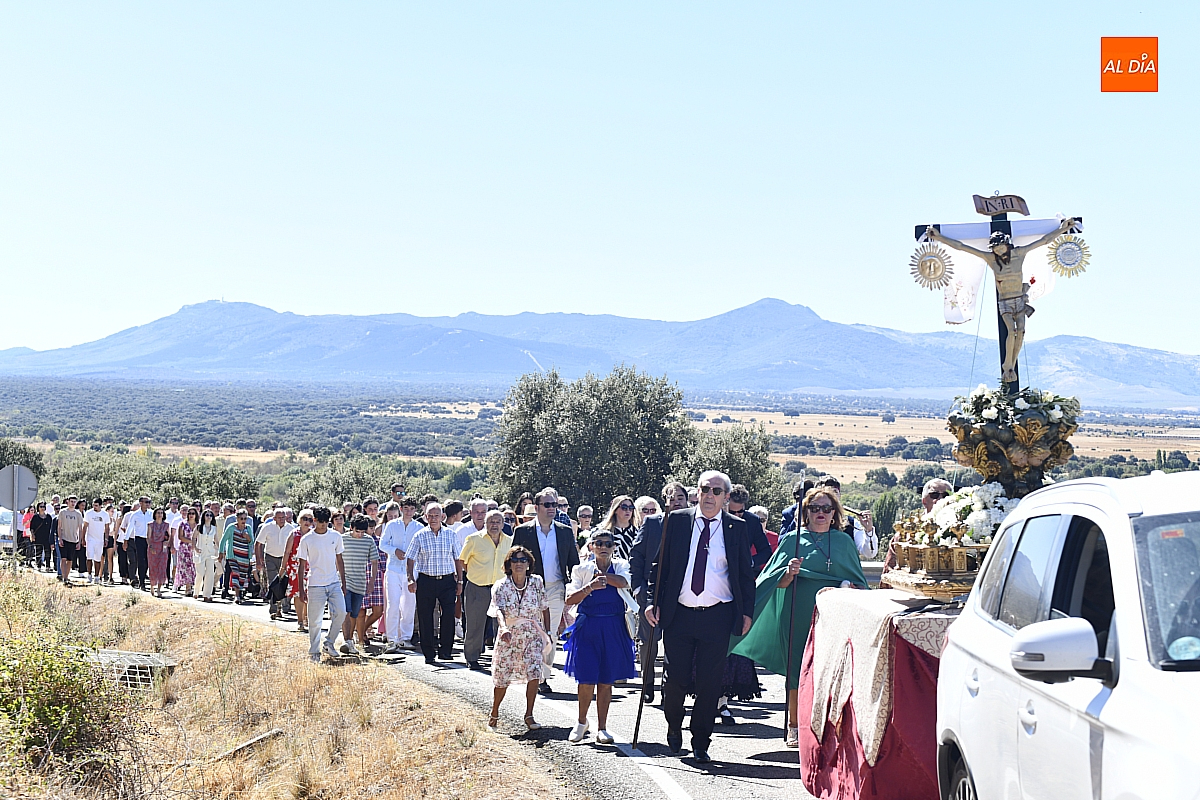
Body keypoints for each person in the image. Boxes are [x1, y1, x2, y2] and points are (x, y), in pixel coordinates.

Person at [731, 486, 869, 748]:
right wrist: (788, 573)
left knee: (830, 670)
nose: (820, 513)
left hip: (832, 618)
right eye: (814, 508)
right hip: (796, 613)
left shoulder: (844, 542)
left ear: (834, 513)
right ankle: (795, 725)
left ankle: (827, 726)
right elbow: (776, 583)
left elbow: (859, 582)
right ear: (805, 512)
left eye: (826, 508)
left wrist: (851, 586)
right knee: (797, 669)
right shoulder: (792, 540)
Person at [645, 470, 756, 763]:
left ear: (726, 497)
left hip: (717, 615)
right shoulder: (677, 521)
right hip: (679, 613)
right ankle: (674, 724)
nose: (709, 495)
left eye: (716, 491)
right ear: (697, 492)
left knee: (709, 683)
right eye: (705, 489)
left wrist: (746, 613)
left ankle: (701, 740)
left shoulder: (736, 527)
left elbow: (745, 574)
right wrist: (651, 602)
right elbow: (659, 566)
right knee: (676, 679)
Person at [563, 529, 638, 744]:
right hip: (588, 627)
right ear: (591, 547)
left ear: (614, 547)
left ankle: (602, 728)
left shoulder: (621, 565)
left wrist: (603, 578)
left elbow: (624, 582)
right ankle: (581, 722)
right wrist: (590, 586)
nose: (603, 547)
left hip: (614, 627)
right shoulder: (581, 569)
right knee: (586, 679)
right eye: (599, 543)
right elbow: (570, 599)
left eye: (608, 544)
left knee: (606, 680)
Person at [512, 488, 579, 693]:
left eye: (555, 505)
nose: (552, 509)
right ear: (537, 507)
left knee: (550, 633)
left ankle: (542, 677)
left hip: (556, 587)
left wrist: (575, 586)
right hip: (531, 588)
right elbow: (513, 560)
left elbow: (573, 562)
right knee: (533, 632)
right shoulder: (523, 531)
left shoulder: (564, 531)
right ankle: (530, 671)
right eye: (547, 505)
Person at [628, 479, 689, 703]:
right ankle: (647, 683)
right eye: (672, 499)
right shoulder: (653, 523)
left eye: (680, 498)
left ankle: (668, 687)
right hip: (650, 592)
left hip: (680, 594)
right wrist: (638, 587)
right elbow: (636, 556)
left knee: (675, 643)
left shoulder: (694, 524)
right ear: (665, 502)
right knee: (649, 641)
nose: (676, 502)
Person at [487, 546, 551, 732]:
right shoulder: (501, 585)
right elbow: (498, 609)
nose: (519, 564)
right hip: (509, 635)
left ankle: (529, 715)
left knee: (534, 671)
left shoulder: (536, 582)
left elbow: (544, 607)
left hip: (532, 634)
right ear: (509, 564)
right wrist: (504, 628)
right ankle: (494, 713)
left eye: (523, 560)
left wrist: (547, 632)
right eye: (514, 560)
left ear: (529, 564)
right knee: (502, 676)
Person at [406, 502, 462, 665]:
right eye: (430, 516)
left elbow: (457, 558)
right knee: (425, 617)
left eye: (436, 515)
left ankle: (445, 651)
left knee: (448, 615)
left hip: (447, 580)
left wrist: (460, 580)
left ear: (442, 517)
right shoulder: (419, 535)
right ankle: (429, 653)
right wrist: (411, 579)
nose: (433, 519)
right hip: (426, 580)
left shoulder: (450, 535)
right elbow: (410, 559)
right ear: (425, 517)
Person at [458, 509, 513, 669]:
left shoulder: (509, 541)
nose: (494, 525)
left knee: (501, 625)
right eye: (491, 522)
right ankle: (472, 658)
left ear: (503, 524)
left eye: (498, 522)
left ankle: (500, 659)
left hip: (500, 590)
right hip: (477, 587)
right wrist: (475, 574)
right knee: (475, 625)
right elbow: (462, 561)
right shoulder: (474, 539)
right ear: (485, 523)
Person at [297, 506, 348, 662]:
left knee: (341, 612)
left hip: (333, 582)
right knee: (315, 620)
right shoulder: (307, 539)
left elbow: (340, 560)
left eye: (326, 521)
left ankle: (329, 642)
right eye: (320, 521)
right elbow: (301, 564)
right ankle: (314, 651)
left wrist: (343, 582)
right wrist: (301, 589)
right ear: (315, 520)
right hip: (315, 584)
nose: (323, 525)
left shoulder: (336, 536)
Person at [381, 497, 423, 652]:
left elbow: (421, 548)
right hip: (393, 569)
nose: (409, 511)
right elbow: (382, 544)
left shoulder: (419, 527)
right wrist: (394, 551)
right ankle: (392, 638)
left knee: (409, 605)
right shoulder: (392, 525)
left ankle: (405, 638)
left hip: (411, 571)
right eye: (406, 508)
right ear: (401, 508)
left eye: (412, 509)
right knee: (393, 604)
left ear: (415, 510)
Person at [339, 514, 380, 656]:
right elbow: (336, 558)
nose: (360, 534)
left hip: (361, 582)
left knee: (355, 614)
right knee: (346, 610)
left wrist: (372, 581)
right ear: (351, 527)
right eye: (357, 531)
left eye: (363, 532)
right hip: (345, 580)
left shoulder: (368, 541)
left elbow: (374, 562)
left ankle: (350, 641)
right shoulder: (342, 539)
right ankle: (347, 640)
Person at [815, 477, 878, 559]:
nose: (831, 497)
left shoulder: (852, 524)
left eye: (835, 492)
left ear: (840, 496)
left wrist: (869, 531)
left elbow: (870, 554)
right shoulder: (807, 523)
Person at [256, 508, 295, 620]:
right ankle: (274, 609)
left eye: (283, 517)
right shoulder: (267, 527)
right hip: (270, 558)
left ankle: (284, 606)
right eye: (279, 518)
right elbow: (258, 543)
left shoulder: (291, 529)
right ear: (274, 518)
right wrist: (259, 560)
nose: (282, 520)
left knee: (285, 582)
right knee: (273, 583)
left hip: (285, 558)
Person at [283, 510, 313, 630]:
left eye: (310, 519)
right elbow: (287, 552)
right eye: (305, 518)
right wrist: (282, 567)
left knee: (309, 593)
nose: (307, 522)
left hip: (310, 567)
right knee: (298, 593)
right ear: (300, 519)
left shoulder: (313, 534)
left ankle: (306, 618)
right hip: (295, 567)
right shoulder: (294, 534)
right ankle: (300, 620)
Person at [221, 510, 254, 604]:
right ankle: (237, 596)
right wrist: (221, 552)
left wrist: (247, 537)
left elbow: (252, 542)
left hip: (244, 556)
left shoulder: (248, 528)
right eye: (241, 518)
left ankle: (240, 593)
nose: (243, 520)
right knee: (236, 573)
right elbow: (223, 540)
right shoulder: (231, 527)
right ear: (237, 519)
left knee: (242, 576)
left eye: (245, 518)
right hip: (233, 556)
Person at [122, 496, 154, 590]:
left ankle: (144, 576)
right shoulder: (135, 515)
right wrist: (126, 540)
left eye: (149, 502)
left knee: (147, 561)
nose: (148, 504)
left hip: (149, 539)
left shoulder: (151, 513)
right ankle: (142, 582)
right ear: (141, 503)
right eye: (146, 502)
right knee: (140, 560)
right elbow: (130, 527)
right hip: (139, 539)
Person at [193, 508, 221, 601]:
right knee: (200, 573)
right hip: (200, 552)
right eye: (207, 515)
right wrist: (195, 548)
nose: (209, 517)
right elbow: (193, 538)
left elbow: (216, 540)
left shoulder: (214, 528)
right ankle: (196, 591)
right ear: (203, 516)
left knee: (210, 573)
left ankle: (207, 594)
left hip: (210, 553)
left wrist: (220, 550)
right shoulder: (199, 527)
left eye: (210, 515)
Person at [597, 495, 638, 561]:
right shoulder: (603, 531)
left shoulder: (637, 533)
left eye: (631, 508)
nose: (628, 511)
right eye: (624, 507)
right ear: (615, 510)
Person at [56, 498, 84, 585]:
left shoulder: (78, 514)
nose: (73, 503)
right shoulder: (62, 512)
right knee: (63, 559)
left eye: (74, 502)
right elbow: (59, 526)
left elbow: (80, 529)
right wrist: (60, 538)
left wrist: (79, 542)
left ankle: (66, 577)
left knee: (70, 560)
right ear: (68, 502)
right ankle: (63, 577)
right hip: (64, 538)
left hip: (73, 540)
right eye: (71, 501)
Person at [83, 498, 110, 585]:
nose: (94, 507)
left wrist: (106, 539)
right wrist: (83, 538)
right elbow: (85, 526)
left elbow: (107, 528)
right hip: (90, 539)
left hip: (100, 540)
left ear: (101, 506)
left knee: (98, 558)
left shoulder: (105, 515)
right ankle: (89, 574)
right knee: (89, 557)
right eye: (93, 505)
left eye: (96, 506)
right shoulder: (88, 513)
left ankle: (97, 576)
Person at [147, 508, 172, 597]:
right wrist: (151, 547)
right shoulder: (150, 525)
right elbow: (148, 537)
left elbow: (169, 536)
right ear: (155, 514)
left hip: (163, 548)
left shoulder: (166, 525)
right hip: (153, 547)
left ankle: (159, 589)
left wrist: (167, 543)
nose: (160, 514)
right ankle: (152, 586)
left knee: (162, 567)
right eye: (158, 513)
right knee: (153, 567)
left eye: (161, 513)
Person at [173, 507, 198, 595]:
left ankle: (192, 586)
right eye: (189, 513)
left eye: (193, 513)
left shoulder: (198, 525)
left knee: (194, 568)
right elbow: (180, 537)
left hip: (195, 549)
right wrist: (192, 541)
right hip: (184, 549)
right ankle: (188, 588)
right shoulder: (183, 524)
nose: (191, 515)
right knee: (186, 568)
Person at [30, 503, 53, 573]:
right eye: (41, 506)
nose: (42, 508)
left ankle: (48, 566)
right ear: (38, 508)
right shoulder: (35, 517)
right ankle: (39, 566)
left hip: (47, 537)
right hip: (38, 537)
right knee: (38, 551)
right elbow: (32, 527)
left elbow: (51, 528)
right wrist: (32, 535)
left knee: (48, 552)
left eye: (44, 506)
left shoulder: (48, 517)